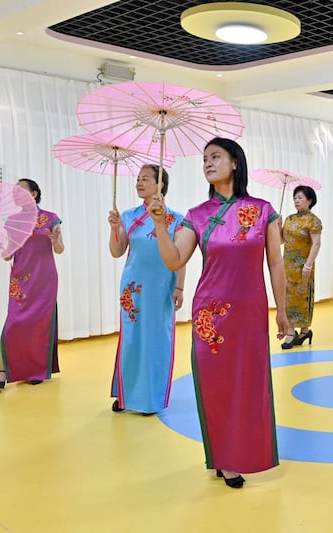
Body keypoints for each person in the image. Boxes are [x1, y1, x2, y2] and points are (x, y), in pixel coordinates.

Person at [148, 137, 289, 488]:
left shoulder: (262, 210)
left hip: (251, 313)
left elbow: (275, 263)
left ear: (235, 163)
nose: (208, 163)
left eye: (216, 157)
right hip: (211, 314)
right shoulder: (196, 215)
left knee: (249, 385)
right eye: (204, 159)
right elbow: (174, 260)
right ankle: (224, 457)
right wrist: (161, 225)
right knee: (217, 386)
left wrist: (282, 310)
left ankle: (241, 451)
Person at [107, 164, 185, 415]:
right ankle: (127, 394)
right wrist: (114, 228)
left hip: (162, 285)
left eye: (145, 179)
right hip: (133, 286)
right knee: (131, 339)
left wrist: (180, 287)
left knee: (156, 340)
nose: (139, 183)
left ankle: (149, 397)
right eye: (137, 179)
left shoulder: (176, 219)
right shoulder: (129, 216)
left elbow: (180, 256)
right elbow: (117, 252)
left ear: (160, 184)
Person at [0, 178, 64, 390]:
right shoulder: (12, 221)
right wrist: (5, 243)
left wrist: (55, 241)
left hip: (44, 280)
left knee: (39, 325)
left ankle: (34, 370)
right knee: (13, 323)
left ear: (33, 194)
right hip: (20, 280)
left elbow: (60, 249)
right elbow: (7, 256)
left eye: (20, 190)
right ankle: (2, 367)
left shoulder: (51, 218)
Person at [279, 185, 322, 349]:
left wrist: (308, 264)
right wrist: (278, 227)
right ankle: (298, 331)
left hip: (304, 266)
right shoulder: (289, 219)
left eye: (300, 197)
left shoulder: (313, 221)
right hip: (287, 266)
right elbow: (282, 241)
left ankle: (299, 332)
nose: (296, 200)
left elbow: (316, 244)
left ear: (310, 200)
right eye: (295, 198)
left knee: (303, 298)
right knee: (288, 297)